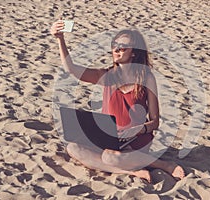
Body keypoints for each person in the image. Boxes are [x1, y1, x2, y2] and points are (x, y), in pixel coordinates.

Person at [50, 20, 185, 182]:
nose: (116, 49)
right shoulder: (107, 76)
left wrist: (137, 130)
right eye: (115, 45)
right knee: (73, 148)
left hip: (136, 141)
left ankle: (163, 165)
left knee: (109, 157)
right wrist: (60, 39)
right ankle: (133, 172)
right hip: (109, 139)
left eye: (122, 47)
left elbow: (155, 122)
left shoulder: (146, 78)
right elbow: (71, 69)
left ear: (134, 52)